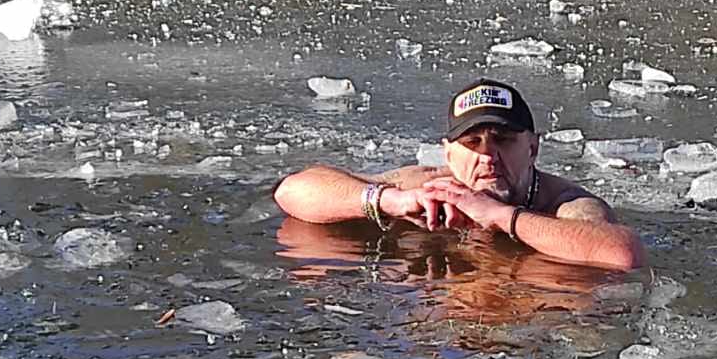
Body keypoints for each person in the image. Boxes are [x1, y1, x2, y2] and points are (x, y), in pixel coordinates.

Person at [271, 80, 645, 273]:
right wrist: (388, 201)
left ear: (532, 148)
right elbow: (293, 190)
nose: (487, 155)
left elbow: (620, 253)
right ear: (449, 151)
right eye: (472, 141)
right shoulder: (424, 183)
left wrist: (499, 217)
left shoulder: (562, 203)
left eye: (502, 140)